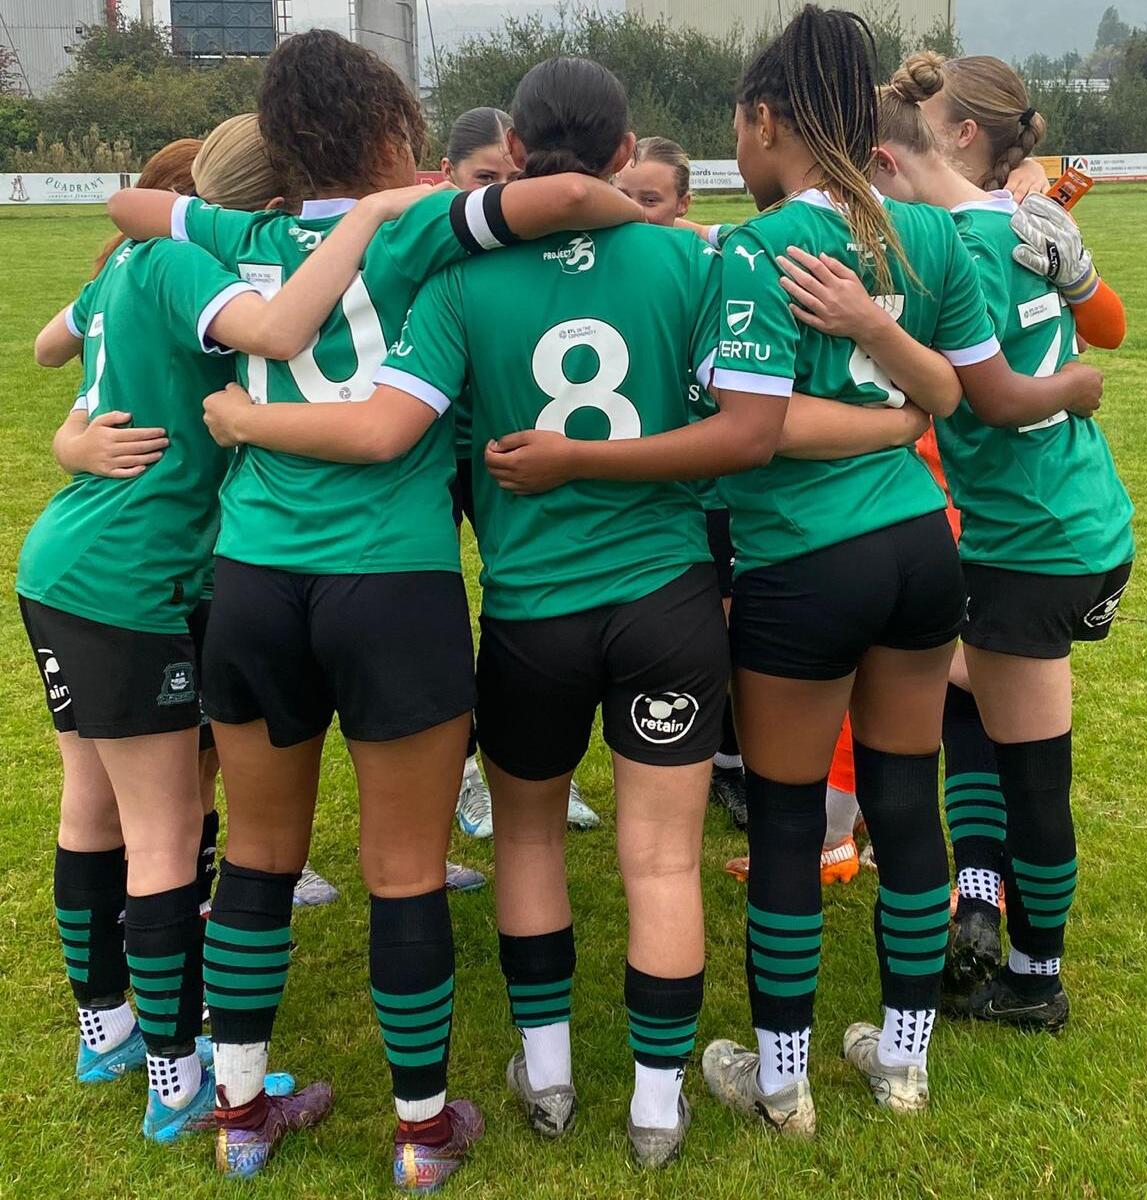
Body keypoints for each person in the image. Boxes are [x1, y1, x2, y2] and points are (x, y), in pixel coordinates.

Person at [488, 6, 1101, 1130]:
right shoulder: (925, 236)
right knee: (906, 802)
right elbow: (955, 396)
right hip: (921, 548)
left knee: (783, 815)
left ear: (768, 119)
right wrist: (887, 377)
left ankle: (782, 1080)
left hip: (803, 566)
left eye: (741, 122)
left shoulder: (758, 253)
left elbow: (751, 432)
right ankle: (903, 1063)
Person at [202, 54, 784, 1169]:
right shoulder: (684, 257)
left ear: (509, 152)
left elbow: (405, 417)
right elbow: (732, 417)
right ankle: (646, 1109)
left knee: (505, 838)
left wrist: (234, 418)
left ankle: (543, 1078)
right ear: (626, 157)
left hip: (505, 608)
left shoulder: (438, 281)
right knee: (654, 859)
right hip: (656, 596)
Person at [109, 31, 645, 1187]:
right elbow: (559, 195)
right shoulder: (414, 222)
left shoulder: (243, 234)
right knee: (404, 868)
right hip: (390, 581)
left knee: (253, 858)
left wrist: (193, 216)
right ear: (394, 122)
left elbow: (132, 208)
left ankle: (242, 1115)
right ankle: (420, 1131)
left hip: (254, 577)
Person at [24, 124, 427, 1144]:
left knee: (93, 807)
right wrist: (373, 215)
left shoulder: (128, 264)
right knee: (163, 831)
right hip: (136, 578)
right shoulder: (190, 266)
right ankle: (177, 1084)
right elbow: (283, 332)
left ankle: (105, 1027)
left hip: (67, 562)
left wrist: (77, 430)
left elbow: (49, 345)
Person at [878, 51, 1134, 1029]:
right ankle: (993, 909)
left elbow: (987, 396)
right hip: (1079, 518)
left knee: (1033, 768)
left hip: (1028, 540)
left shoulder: (951, 248)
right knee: (978, 700)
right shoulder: (1009, 223)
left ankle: (1035, 977)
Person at [440, 105, 601, 843]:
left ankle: (540, 775)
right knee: (442, 611)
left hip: (523, 450)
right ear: (449, 180)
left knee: (536, 595)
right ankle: (467, 773)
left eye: (514, 182)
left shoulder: (545, 257)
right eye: (487, 183)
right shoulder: (442, 248)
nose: (510, 200)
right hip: (444, 455)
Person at [617, 136, 748, 830]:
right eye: (626, 196)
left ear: (683, 203)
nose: (637, 213)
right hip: (649, 498)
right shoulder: (607, 272)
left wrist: (709, 235)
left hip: (715, 491)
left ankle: (728, 764)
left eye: (653, 200)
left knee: (724, 633)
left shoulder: (715, 267)